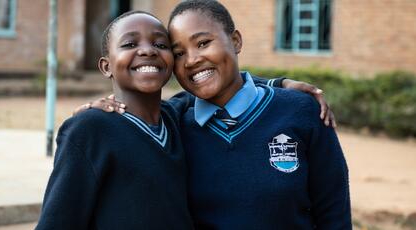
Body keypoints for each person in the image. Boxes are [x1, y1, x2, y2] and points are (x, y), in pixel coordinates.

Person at [83, 1, 351, 229]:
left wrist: (277, 84)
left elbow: (333, 212)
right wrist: (93, 114)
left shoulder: (300, 111)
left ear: (235, 41)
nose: (192, 59)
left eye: (203, 42)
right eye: (178, 53)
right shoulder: (174, 124)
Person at [36, 11, 195, 229]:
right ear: (106, 66)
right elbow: (58, 222)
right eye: (129, 44)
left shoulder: (177, 117)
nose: (148, 50)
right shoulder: (90, 129)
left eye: (160, 44)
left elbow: (229, 85)